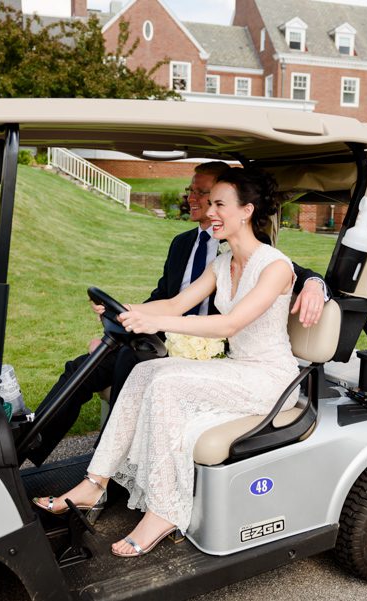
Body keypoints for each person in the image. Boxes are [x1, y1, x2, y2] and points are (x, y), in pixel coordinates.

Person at [33, 168, 300, 558]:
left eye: (219, 204)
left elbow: (230, 322)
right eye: (209, 204)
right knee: (146, 371)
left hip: (270, 379)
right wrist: (125, 310)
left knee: (167, 384)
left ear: (246, 210)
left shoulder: (275, 267)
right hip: (238, 368)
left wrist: (154, 322)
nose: (210, 212)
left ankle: (165, 510)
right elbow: (176, 303)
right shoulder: (223, 263)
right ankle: (94, 482)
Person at [24, 162, 328, 466]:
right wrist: (126, 312)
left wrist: (315, 283)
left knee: (137, 368)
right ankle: (26, 452)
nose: (202, 204)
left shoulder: (266, 260)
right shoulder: (192, 248)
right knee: (86, 366)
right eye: (197, 194)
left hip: (225, 354)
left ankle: (112, 471)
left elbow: (266, 293)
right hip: (169, 337)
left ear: (244, 209)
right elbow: (169, 302)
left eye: (211, 198)